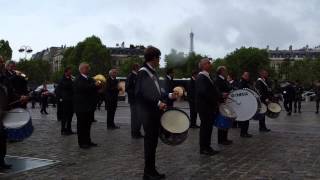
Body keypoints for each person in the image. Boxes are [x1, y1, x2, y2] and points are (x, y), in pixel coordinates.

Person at [135, 46, 177, 180]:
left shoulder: (151, 72)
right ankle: (148, 172)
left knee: (153, 143)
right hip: (148, 114)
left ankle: (151, 170)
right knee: (150, 143)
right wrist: (158, 103)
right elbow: (141, 93)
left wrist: (170, 95)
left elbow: (158, 92)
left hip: (153, 113)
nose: (159, 60)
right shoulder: (143, 72)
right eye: (159, 57)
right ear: (153, 58)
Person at [195, 58, 221, 155]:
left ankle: (207, 146)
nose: (211, 64)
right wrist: (215, 100)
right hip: (205, 107)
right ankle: (204, 148)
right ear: (203, 65)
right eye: (209, 63)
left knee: (208, 127)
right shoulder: (202, 77)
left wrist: (219, 97)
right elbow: (204, 92)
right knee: (205, 127)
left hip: (208, 106)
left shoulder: (207, 76)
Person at [73, 63, 100, 149]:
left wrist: (99, 86)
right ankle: (82, 143)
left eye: (88, 68)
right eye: (87, 68)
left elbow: (93, 88)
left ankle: (88, 141)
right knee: (81, 125)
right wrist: (94, 85)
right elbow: (83, 88)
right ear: (81, 69)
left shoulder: (90, 78)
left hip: (89, 106)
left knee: (88, 125)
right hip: (81, 106)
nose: (88, 69)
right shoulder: (78, 79)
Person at [215, 66, 233, 145]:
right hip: (221, 102)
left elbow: (228, 88)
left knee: (226, 119)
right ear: (221, 71)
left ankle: (224, 138)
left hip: (226, 102)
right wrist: (221, 95)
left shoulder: (224, 79)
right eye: (225, 71)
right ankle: (221, 140)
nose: (226, 72)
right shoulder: (217, 80)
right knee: (222, 121)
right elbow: (216, 91)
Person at [0, 55, 12, 169]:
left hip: (3, 112)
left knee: (3, 137)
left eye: (2, 62)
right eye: (1, 62)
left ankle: (1, 161)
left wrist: (21, 96)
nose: (2, 64)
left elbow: (9, 92)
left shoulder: (4, 77)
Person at [126, 63, 143, 138]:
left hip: (139, 101)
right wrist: (136, 92)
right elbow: (127, 88)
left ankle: (138, 132)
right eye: (138, 67)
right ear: (135, 68)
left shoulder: (138, 76)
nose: (139, 69)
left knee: (139, 117)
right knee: (134, 118)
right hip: (133, 100)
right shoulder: (130, 76)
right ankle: (134, 133)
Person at [58, 67, 75, 135]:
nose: (71, 73)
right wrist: (71, 81)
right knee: (64, 116)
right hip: (65, 100)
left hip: (71, 99)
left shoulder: (71, 78)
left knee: (70, 115)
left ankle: (69, 129)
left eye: (71, 71)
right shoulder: (62, 79)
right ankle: (63, 130)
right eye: (69, 71)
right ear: (66, 72)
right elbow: (65, 86)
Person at [238, 71, 253, 138]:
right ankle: (243, 133)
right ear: (244, 76)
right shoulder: (242, 82)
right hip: (244, 103)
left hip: (246, 102)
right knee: (245, 118)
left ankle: (245, 132)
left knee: (246, 118)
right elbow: (243, 92)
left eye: (248, 76)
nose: (248, 77)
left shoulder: (245, 82)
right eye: (247, 76)